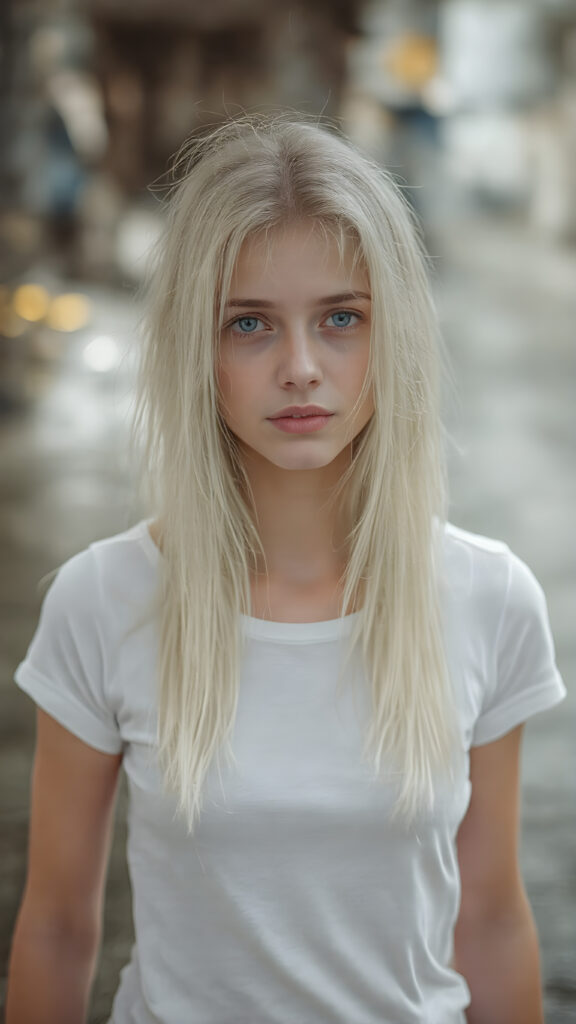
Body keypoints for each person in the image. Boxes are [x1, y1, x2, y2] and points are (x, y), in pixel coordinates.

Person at [7, 116, 565, 1024]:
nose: (301, 368)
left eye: (341, 319)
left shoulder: (490, 598)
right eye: (250, 324)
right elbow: (59, 929)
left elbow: (494, 921)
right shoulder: (102, 601)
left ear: (394, 340)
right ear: (199, 348)